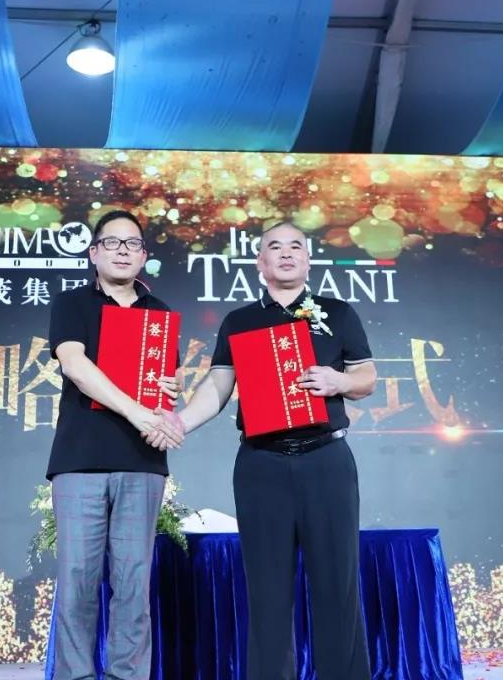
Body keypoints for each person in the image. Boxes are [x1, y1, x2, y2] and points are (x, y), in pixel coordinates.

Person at [160, 221, 377, 680]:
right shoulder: (239, 321)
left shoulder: (337, 313)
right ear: (260, 262)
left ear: (308, 260)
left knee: (337, 587)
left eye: (295, 246)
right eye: (274, 247)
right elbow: (218, 387)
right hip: (261, 464)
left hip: (327, 460)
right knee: (267, 591)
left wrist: (338, 381)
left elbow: (366, 379)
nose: (286, 253)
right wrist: (179, 422)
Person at [45, 209, 183, 680]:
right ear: (93, 253)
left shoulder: (159, 313)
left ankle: (129, 675)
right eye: (113, 242)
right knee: (77, 582)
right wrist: (136, 410)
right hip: (80, 459)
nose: (123, 251)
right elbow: (74, 364)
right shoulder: (72, 303)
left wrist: (168, 393)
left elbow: (164, 384)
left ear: (144, 256)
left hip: (141, 460)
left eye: (133, 244)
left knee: (133, 584)